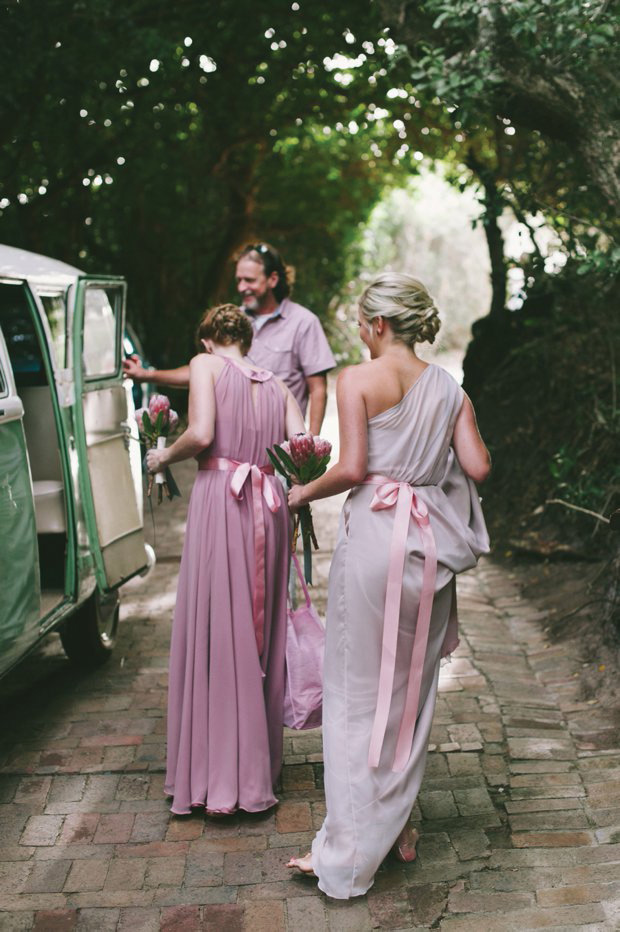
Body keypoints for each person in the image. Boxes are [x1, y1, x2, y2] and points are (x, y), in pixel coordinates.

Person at [286, 272, 490, 898]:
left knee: (355, 695)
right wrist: (428, 459)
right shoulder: (449, 388)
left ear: (377, 324)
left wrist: (300, 490)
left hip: (377, 544)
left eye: (361, 324)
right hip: (428, 553)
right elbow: (479, 467)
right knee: (409, 696)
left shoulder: (356, 379)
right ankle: (400, 826)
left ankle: (349, 855)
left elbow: (350, 470)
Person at [146, 304, 305, 815]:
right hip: (270, 503)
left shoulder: (205, 365)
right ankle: (258, 769)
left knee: (220, 629)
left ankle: (219, 775)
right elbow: (300, 450)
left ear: (209, 339)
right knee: (259, 634)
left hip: (224, 499)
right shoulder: (278, 384)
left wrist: (161, 456)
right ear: (246, 340)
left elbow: (201, 434)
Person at [125, 242, 335, 435]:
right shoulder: (231, 322)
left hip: (283, 448)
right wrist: (146, 374)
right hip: (236, 448)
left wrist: (309, 445)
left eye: (250, 280)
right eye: (239, 280)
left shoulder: (304, 322)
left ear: (272, 279)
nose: (242, 287)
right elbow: (200, 373)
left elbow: (317, 389)